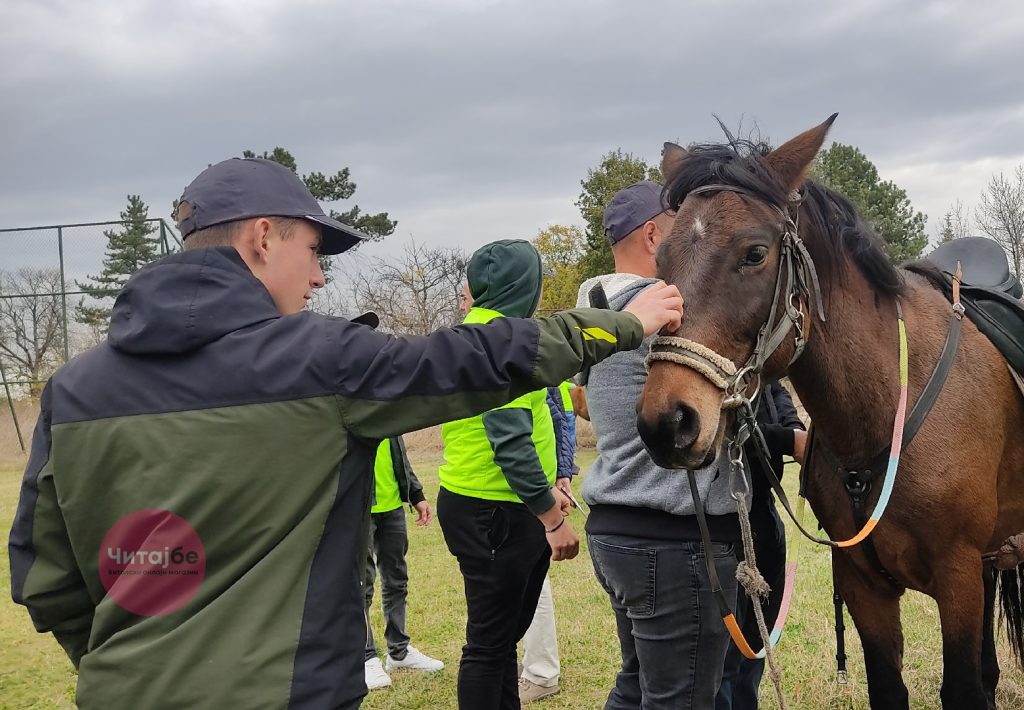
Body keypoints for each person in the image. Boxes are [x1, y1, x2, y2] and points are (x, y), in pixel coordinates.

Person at [7, 157, 684, 710]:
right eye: (312, 248)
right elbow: (476, 358)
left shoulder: (73, 392)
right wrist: (627, 322)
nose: (320, 274)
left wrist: (134, 669)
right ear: (262, 237)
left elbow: (46, 579)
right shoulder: (320, 362)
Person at [578, 180, 742, 709]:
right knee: (682, 699)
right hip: (674, 540)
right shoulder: (665, 309)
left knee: (637, 686)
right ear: (653, 234)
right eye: (681, 229)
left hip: (615, 530)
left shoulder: (596, 309)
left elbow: (585, 399)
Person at [438, 240, 583, 710]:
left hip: (478, 503)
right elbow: (511, 442)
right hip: (495, 508)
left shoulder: (472, 331)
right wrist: (552, 520)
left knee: (499, 641)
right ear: (528, 286)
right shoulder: (506, 342)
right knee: (486, 647)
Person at [715, 383, 806, 710]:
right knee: (724, 651)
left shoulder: (756, 363)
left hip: (763, 512)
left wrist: (793, 425)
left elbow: (773, 390)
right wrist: (790, 440)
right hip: (722, 522)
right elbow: (723, 427)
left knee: (756, 636)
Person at [363, 435, 444, 691]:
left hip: (391, 507)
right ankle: (364, 657)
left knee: (397, 580)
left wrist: (416, 493)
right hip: (357, 508)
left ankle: (398, 652)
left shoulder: (387, 404)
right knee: (361, 584)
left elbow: (398, 453)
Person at [518, 380, 578, 704]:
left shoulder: (530, 343)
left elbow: (557, 414)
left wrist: (561, 474)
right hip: (525, 483)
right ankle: (530, 664)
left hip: (530, 486)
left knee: (532, 580)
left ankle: (541, 673)